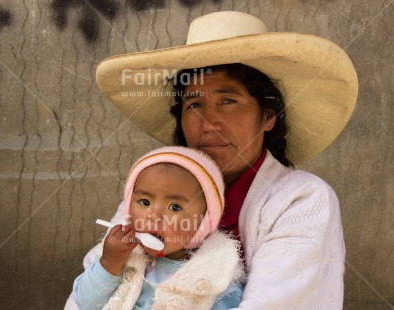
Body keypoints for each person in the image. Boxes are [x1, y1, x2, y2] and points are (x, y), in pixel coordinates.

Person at [68, 11, 358, 309]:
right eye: (194, 103)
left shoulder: (301, 199)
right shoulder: (154, 191)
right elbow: (83, 298)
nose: (208, 123)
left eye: (228, 101)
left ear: (269, 116)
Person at [68, 146, 244, 309]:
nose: (154, 216)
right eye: (145, 202)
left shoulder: (217, 274)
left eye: (175, 207)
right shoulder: (119, 255)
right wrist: (109, 264)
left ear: (205, 220)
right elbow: (85, 303)